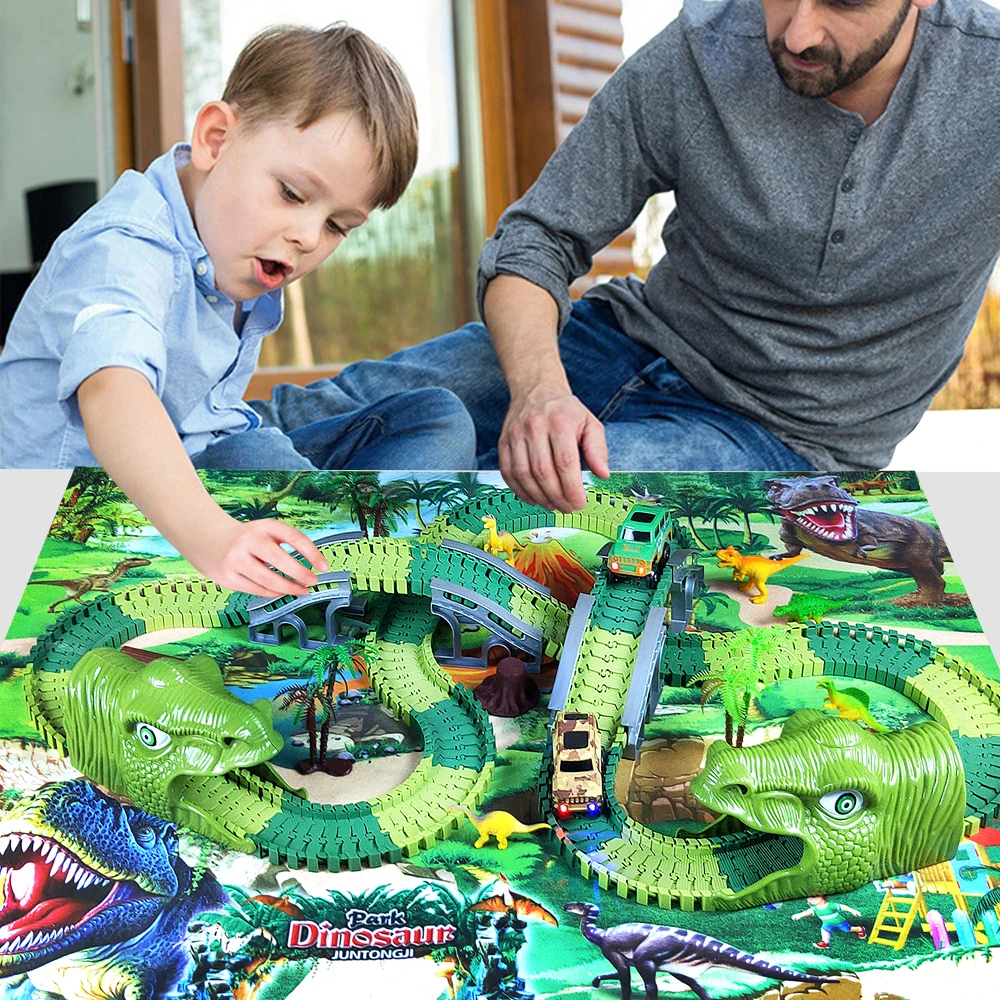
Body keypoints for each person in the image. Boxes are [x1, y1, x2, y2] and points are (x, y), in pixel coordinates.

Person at [287, 0, 1000, 513]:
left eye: (843, 3)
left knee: (493, 511)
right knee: (317, 415)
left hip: (782, 439)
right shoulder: (700, 51)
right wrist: (540, 390)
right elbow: (537, 238)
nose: (798, 29)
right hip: (615, 343)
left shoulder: (987, 81)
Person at [0, 24, 477, 597]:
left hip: (209, 457)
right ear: (216, 139)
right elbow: (112, 391)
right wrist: (213, 539)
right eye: (293, 195)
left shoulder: (233, 243)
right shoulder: (122, 247)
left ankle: (336, 552)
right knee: (259, 450)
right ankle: (340, 575)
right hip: (73, 522)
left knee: (436, 417)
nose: (306, 236)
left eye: (336, 227)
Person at [792, 895, 867, 948]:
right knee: (824, 929)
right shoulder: (815, 908)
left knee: (847, 929)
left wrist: (852, 910)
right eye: (809, 898)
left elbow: (842, 907)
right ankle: (825, 942)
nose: (811, 900)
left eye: (814, 897)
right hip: (827, 923)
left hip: (839, 922)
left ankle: (859, 929)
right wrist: (800, 914)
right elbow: (808, 912)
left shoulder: (830, 905)